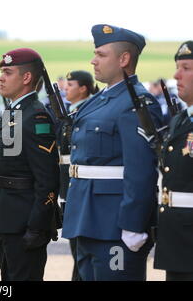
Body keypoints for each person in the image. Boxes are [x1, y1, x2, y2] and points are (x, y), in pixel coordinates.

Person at [62, 24, 163, 281]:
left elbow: (140, 170)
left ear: (124, 59)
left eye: (101, 54)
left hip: (114, 224)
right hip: (86, 218)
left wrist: (133, 224)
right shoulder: (99, 100)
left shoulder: (137, 103)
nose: (93, 61)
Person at [0, 48, 60, 280]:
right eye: (0, 72)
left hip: (23, 223)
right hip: (4, 219)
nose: (0, 78)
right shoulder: (13, 113)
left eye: (7, 72)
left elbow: (47, 178)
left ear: (26, 78)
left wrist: (37, 226)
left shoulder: (35, 116)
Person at [154, 40, 193, 281]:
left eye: (186, 68)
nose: (176, 75)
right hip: (177, 232)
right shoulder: (180, 119)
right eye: (177, 67)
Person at [58, 70, 98, 281]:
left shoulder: (88, 113)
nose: (66, 88)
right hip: (68, 189)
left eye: (71, 84)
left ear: (83, 88)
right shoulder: (70, 114)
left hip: (81, 189)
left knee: (84, 253)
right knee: (77, 251)